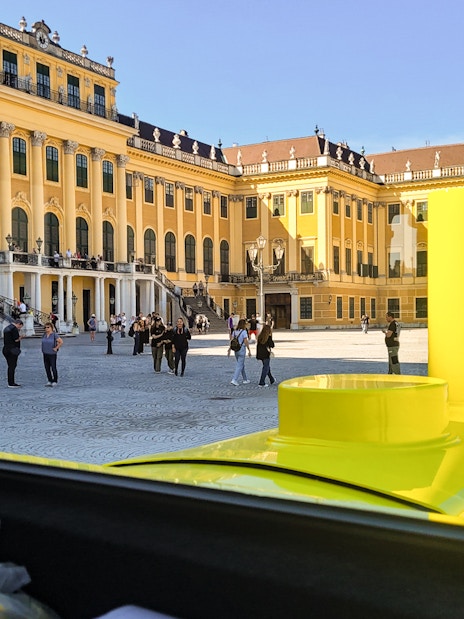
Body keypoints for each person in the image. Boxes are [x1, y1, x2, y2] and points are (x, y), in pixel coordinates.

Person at [228, 318, 252, 386]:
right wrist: (249, 350)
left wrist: (229, 349)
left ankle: (245, 379)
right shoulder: (244, 332)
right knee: (239, 365)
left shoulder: (235, 331)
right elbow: (246, 341)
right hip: (241, 349)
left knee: (241, 364)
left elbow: (232, 341)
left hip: (236, 349)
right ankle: (234, 379)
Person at [2, 319, 24, 388]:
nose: (19, 328)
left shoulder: (7, 328)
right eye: (20, 326)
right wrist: (21, 337)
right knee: (12, 366)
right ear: (19, 324)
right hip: (12, 350)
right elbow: (16, 339)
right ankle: (11, 383)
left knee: (10, 366)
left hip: (5, 348)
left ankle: (10, 382)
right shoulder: (14, 329)